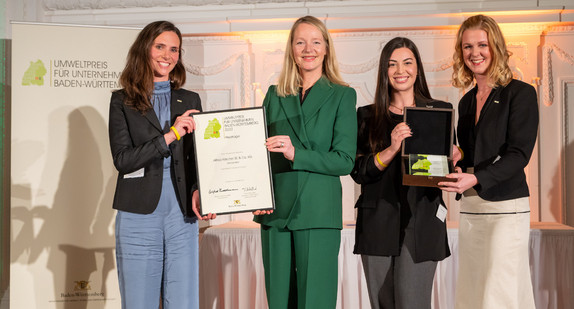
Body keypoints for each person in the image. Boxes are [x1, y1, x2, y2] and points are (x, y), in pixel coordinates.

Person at [252, 15, 357, 309]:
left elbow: (345, 161)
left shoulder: (342, 95)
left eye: (315, 42)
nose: (307, 49)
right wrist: (256, 193)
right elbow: (259, 154)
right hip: (274, 212)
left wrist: (296, 153)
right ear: (292, 49)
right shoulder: (274, 95)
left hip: (318, 212)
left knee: (315, 302)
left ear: (326, 49)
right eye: (300, 42)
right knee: (278, 302)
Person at [108, 20, 215, 309]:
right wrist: (170, 135)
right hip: (138, 213)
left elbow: (197, 158)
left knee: (184, 300)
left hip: (182, 213)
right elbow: (123, 160)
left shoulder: (190, 99)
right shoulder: (122, 101)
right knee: (139, 301)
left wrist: (199, 190)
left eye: (174, 49)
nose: (167, 55)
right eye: (160, 46)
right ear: (145, 48)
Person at [438, 14, 538, 309]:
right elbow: (474, 153)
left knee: (501, 292)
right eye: (467, 47)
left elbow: (519, 154)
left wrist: (477, 178)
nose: (474, 53)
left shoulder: (520, 94)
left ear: (496, 46)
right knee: (473, 291)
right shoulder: (466, 101)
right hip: (472, 207)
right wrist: (458, 157)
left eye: (482, 44)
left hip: (506, 209)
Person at [351, 37, 456, 309]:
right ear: (384, 72)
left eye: (407, 62)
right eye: (392, 64)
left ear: (417, 68)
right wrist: (391, 148)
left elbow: (445, 174)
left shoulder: (439, 113)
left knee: (413, 304)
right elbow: (359, 172)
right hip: (377, 223)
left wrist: (454, 161)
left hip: (422, 223)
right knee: (382, 304)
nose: (401, 70)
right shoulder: (366, 116)